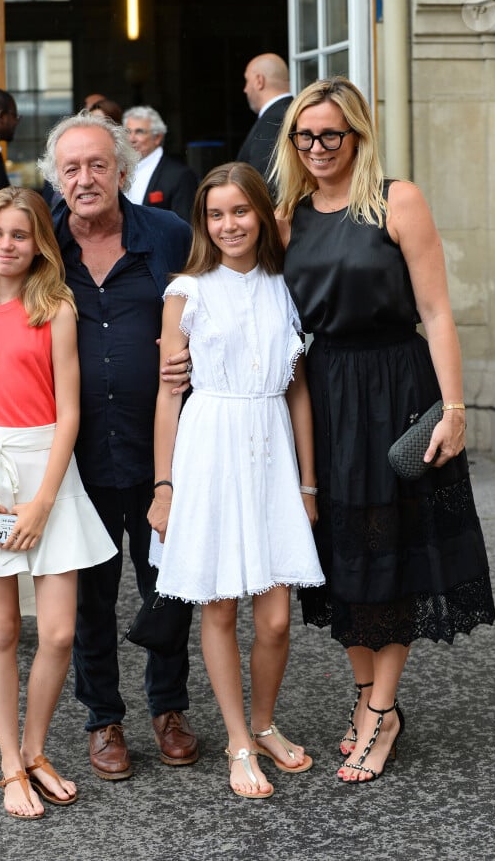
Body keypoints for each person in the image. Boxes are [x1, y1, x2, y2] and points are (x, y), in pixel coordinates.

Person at [271, 76, 495, 783]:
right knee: (343, 552)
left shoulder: (397, 199)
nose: (317, 148)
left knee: (391, 547)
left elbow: (434, 311)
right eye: (304, 137)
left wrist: (454, 408)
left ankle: (384, 708)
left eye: (330, 135)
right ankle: (368, 696)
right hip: (326, 393)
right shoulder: (287, 216)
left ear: (358, 136)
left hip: (398, 388)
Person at [0, 187, 117, 819]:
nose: (7, 244)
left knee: (59, 631)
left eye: (21, 234)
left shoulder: (55, 307)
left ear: (39, 243)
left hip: (45, 472)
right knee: (1, 630)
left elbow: (69, 413)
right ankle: (10, 763)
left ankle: (36, 750)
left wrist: (42, 502)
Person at [148, 162, 325, 799]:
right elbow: (169, 397)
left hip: (272, 443)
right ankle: (238, 741)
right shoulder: (187, 291)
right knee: (220, 605)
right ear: (205, 222)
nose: (229, 225)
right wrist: (164, 485)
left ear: (262, 214)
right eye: (216, 214)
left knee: (275, 618)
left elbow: (298, 391)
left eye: (240, 211)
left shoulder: (287, 285)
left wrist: (308, 484)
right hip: (210, 445)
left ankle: (265, 722)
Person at [37, 112, 199, 781]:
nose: (85, 179)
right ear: (56, 178)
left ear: (123, 171)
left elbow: (208, 312)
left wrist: (201, 364)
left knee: (169, 586)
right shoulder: (42, 241)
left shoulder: (168, 236)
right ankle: (103, 717)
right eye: (71, 168)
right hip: (77, 457)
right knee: (90, 597)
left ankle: (169, 709)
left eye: (97, 165)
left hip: (162, 449)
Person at [123, 105, 198, 223]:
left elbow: (186, 228)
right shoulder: (118, 170)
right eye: (128, 132)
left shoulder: (180, 175)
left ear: (157, 137)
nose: (131, 139)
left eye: (139, 132)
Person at [236, 53, 292, 185]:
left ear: (259, 81)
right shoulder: (290, 111)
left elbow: (263, 184)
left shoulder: (273, 121)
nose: (245, 89)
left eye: (247, 81)